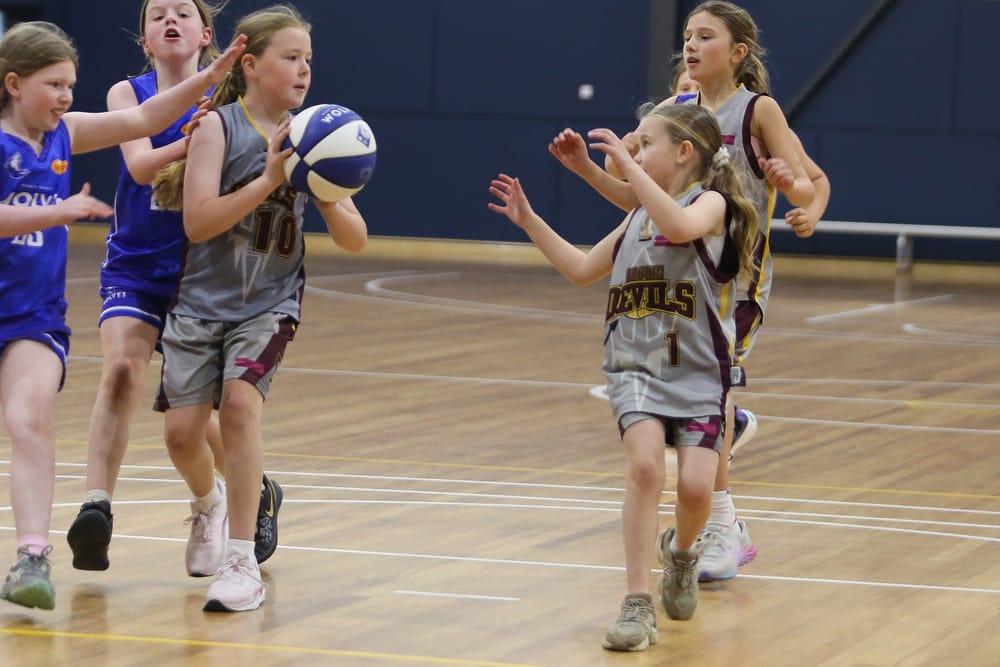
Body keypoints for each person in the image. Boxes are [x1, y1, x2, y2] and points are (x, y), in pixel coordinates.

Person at [549, 0, 831, 582]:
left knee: (715, 389)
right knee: (694, 396)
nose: (692, 46)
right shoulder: (674, 111)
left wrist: (801, 202)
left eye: (706, 36)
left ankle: (723, 526)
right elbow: (641, 197)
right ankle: (729, 427)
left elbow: (813, 183)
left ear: (738, 52)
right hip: (673, 282)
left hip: (734, 281)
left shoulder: (759, 110)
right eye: (687, 36)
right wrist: (590, 172)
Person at [489, 103, 759, 651]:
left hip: (701, 375)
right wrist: (530, 219)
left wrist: (618, 167)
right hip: (634, 369)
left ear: (684, 154)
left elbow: (678, 225)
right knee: (643, 470)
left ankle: (681, 554)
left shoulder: (712, 205)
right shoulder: (635, 219)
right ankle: (637, 602)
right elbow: (581, 269)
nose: (633, 154)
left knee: (696, 487)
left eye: (644, 144)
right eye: (633, 145)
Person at [0, 20, 244, 610]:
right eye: (55, 84)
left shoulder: (67, 133)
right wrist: (58, 211)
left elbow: (143, 120)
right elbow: (136, 144)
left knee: (31, 417)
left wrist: (211, 77)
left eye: (69, 85)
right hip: (117, 269)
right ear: (13, 84)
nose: (65, 97)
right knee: (97, 388)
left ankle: (33, 555)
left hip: (35, 317)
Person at [151, 4, 368, 612]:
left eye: (308, 60)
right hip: (198, 303)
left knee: (242, 409)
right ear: (250, 64)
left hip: (268, 303)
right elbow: (197, 223)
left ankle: (242, 560)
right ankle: (209, 502)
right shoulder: (220, 127)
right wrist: (271, 178)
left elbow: (355, 239)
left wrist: (326, 195)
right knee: (180, 436)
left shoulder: (314, 135)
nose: (303, 70)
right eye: (290, 58)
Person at [66, 0, 284, 575]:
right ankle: (96, 508)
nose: (169, 19)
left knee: (190, 418)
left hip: (202, 271)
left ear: (205, 33)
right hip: (136, 265)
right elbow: (140, 168)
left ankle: (231, 493)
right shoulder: (126, 95)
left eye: (181, 12)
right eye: (156, 14)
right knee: (119, 372)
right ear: (143, 40)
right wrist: (195, 139)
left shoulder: (232, 102)